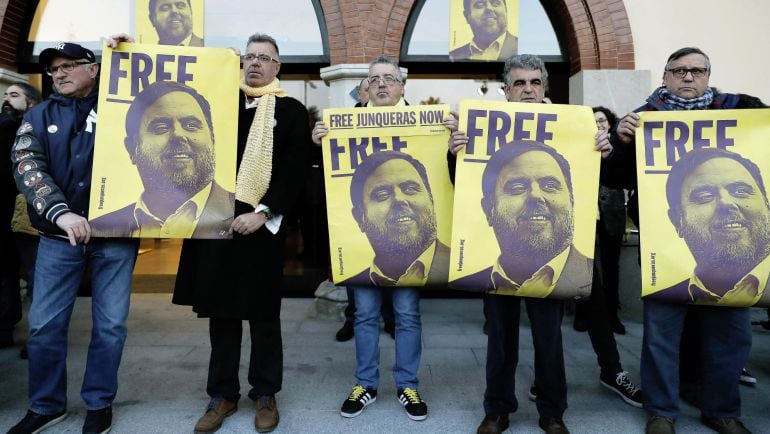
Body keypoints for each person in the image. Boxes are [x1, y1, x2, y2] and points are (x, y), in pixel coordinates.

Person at [448, 54, 634, 434]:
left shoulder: (575, 124)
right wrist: (455, 154)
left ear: (545, 87)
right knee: (500, 336)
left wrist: (605, 150)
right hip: (497, 251)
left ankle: (552, 412)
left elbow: (610, 176)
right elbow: (462, 183)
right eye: (519, 83)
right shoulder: (483, 127)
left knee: (549, 337)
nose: (528, 89)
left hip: (552, 252)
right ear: (506, 90)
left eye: (534, 82)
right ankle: (498, 409)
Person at [609, 46, 753, 434]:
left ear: (709, 75)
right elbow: (616, 179)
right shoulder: (642, 120)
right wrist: (620, 144)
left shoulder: (745, 109)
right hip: (665, 243)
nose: (688, 78)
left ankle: (722, 409)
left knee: (730, 332)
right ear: (665, 77)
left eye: (696, 71)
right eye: (679, 71)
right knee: (662, 332)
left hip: (731, 244)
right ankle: (661, 411)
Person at [172, 33, 310, 434]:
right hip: (215, 224)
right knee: (222, 312)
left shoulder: (290, 111)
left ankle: (265, 393)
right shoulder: (218, 103)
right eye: (249, 56)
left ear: (277, 67)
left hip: (261, 227)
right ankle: (222, 395)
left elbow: (295, 172)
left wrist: (263, 212)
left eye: (264, 58)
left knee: (264, 314)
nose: (255, 63)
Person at [6, 41, 140, 434]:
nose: (59, 74)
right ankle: (47, 405)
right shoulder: (38, 114)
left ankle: (99, 403)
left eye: (68, 66)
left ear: (94, 68)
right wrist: (60, 213)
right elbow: (26, 164)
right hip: (56, 237)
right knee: (44, 325)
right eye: (53, 70)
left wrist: (126, 52)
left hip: (114, 237)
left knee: (111, 325)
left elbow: (157, 87)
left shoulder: (123, 108)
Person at [312, 55, 454, 422]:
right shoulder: (346, 124)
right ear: (366, 88)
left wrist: (455, 137)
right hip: (366, 245)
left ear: (402, 87)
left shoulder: (428, 123)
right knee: (364, 315)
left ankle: (408, 384)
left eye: (389, 78)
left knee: (407, 314)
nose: (381, 84)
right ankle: (366, 385)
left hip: (413, 244)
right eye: (374, 79)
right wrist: (320, 145)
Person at [89, 81, 234, 238]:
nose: (178, 135)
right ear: (132, 148)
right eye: (160, 128)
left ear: (212, 138)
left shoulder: (241, 214)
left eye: (191, 125)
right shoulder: (100, 228)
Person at [451, 141, 591, 298]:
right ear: (488, 210)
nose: (536, 196)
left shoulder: (592, 279)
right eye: (517, 188)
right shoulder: (470, 282)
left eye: (550, 185)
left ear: (571, 201)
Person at [656, 148, 770, 305]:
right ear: (677, 220)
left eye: (741, 191)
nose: (726, 203)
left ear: (767, 205)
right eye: (705, 197)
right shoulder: (666, 299)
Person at [336, 77, 395, 343]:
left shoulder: (403, 118)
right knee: (356, 274)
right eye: (365, 88)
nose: (370, 91)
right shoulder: (346, 125)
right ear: (363, 94)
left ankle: (391, 320)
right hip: (360, 211)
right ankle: (352, 320)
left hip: (389, 209)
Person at [340, 150, 450, 287]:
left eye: (410, 188)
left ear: (431, 200)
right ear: (359, 218)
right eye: (382, 194)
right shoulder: (352, 286)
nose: (399, 200)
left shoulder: (466, 272)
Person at [0, 82, 41, 350]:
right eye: (5, 94)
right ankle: (4, 328)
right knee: (4, 274)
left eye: (14, 95)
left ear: (30, 102)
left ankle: (37, 337)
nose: (6, 99)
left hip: (31, 215)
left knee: (38, 276)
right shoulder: (3, 126)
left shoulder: (37, 128)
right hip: (3, 213)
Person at [450, 0, 518, 61]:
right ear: (467, 16)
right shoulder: (452, 57)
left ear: (506, 10)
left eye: (495, 3)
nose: (489, 8)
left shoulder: (524, 49)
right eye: (480, 5)